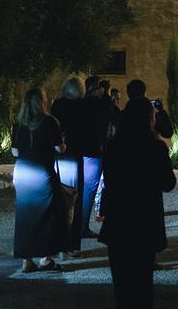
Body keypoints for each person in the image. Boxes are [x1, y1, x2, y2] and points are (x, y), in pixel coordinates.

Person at [99, 97, 176, 308]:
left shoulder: (114, 145)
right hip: (145, 219)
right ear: (149, 119)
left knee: (122, 283)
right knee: (143, 283)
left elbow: (109, 179)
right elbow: (168, 183)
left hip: (119, 218)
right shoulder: (155, 146)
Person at [11, 87, 68, 272]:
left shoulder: (19, 122)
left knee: (26, 215)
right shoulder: (49, 121)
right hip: (42, 173)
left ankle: (26, 260)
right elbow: (59, 148)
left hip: (22, 173)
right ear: (41, 101)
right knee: (47, 215)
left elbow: (14, 150)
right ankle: (45, 258)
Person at [49, 76, 85, 256]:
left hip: (58, 156)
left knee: (60, 198)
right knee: (75, 199)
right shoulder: (81, 106)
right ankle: (72, 245)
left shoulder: (57, 105)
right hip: (74, 155)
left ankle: (59, 243)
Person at [77, 76, 114, 238]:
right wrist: (106, 93)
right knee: (89, 191)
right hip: (93, 152)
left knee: (82, 190)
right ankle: (82, 227)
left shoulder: (81, 103)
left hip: (81, 151)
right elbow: (108, 112)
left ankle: (79, 225)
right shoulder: (97, 104)